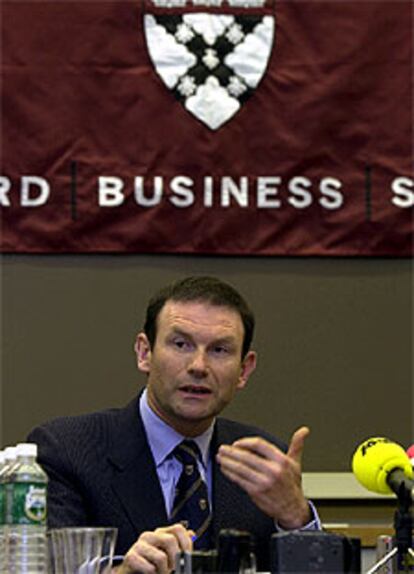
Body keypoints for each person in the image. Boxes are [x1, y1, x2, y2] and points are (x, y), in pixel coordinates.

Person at [28, 276, 320, 573]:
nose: (198, 366)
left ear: (244, 370)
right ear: (145, 353)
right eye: (181, 344)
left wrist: (296, 517)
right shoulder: (66, 450)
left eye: (219, 350)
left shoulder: (263, 465)